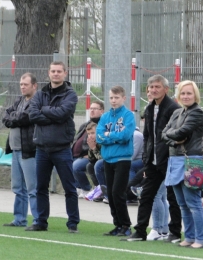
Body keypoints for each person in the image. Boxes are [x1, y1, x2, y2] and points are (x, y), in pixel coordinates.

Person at [123, 74, 181, 242]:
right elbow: (148, 136)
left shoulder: (172, 108)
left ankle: (175, 233)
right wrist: (147, 158)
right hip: (152, 163)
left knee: (172, 196)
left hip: (169, 160)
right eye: (151, 87)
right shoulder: (149, 108)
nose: (154, 90)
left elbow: (173, 135)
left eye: (157, 87)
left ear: (166, 89)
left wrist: (167, 155)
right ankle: (140, 231)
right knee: (147, 195)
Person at [27, 61, 79, 233]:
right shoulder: (40, 94)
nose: (56, 74)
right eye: (53, 71)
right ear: (48, 73)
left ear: (65, 73)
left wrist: (45, 110)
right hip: (42, 148)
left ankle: (72, 223)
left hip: (62, 148)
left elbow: (63, 113)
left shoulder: (70, 94)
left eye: (59, 71)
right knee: (41, 187)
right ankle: (41, 222)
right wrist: (52, 114)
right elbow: (33, 114)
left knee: (69, 187)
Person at [162, 80, 203, 248]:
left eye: (189, 93)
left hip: (192, 161)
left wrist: (171, 135)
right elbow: (164, 134)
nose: (186, 96)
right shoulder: (176, 112)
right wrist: (174, 140)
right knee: (182, 204)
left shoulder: (197, 113)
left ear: (195, 95)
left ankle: (200, 239)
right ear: (178, 95)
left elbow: (181, 132)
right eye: (183, 93)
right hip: (175, 160)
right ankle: (189, 237)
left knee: (194, 203)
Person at [96, 85, 135, 237]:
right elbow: (99, 136)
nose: (113, 100)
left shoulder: (128, 115)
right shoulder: (105, 117)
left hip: (122, 159)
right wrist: (112, 136)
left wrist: (108, 135)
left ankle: (126, 225)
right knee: (110, 195)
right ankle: (117, 225)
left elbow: (125, 136)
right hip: (108, 158)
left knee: (118, 192)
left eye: (116, 98)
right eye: (111, 97)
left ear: (123, 98)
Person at [2, 72, 38, 227]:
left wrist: (14, 117)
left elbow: (25, 118)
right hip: (15, 150)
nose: (22, 87)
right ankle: (19, 219)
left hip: (28, 150)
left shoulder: (37, 102)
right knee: (18, 187)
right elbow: (6, 115)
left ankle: (38, 220)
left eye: (26, 85)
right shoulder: (19, 100)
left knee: (32, 188)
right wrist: (14, 117)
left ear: (34, 86)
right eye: (21, 84)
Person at [72, 100, 104, 198]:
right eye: (91, 108)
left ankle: (87, 189)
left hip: (89, 155)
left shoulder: (101, 125)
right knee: (62, 162)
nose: (92, 111)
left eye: (95, 108)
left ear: (102, 111)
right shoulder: (85, 125)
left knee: (77, 166)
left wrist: (88, 152)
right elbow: (76, 139)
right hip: (78, 155)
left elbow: (97, 145)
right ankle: (78, 187)